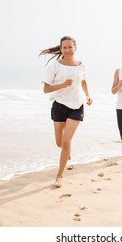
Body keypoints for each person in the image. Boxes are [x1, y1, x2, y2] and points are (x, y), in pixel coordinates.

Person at [40, 36, 92, 188]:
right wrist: (62, 85)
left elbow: (83, 81)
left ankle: (59, 176)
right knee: (59, 143)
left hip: (77, 106)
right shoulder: (54, 66)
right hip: (60, 106)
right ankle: (66, 151)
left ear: (75, 48)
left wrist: (88, 95)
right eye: (64, 47)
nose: (67, 50)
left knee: (66, 141)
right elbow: (46, 89)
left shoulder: (82, 66)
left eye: (70, 47)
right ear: (61, 49)